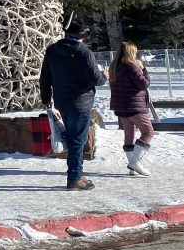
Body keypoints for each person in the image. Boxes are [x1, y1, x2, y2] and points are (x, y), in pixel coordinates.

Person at [39, 19, 107, 191]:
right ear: (83, 36)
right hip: (81, 101)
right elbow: (95, 79)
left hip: (62, 100)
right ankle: (74, 177)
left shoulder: (53, 50)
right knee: (78, 140)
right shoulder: (83, 52)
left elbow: (45, 77)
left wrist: (46, 97)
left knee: (73, 138)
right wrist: (104, 75)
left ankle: (77, 173)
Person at [109, 41, 155, 176]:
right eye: (134, 52)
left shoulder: (114, 66)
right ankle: (136, 163)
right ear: (130, 53)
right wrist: (144, 70)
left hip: (121, 106)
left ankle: (132, 167)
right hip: (134, 106)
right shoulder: (132, 67)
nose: (136, 54)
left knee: (129, 135)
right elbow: (144, 84)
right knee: (148, 132)